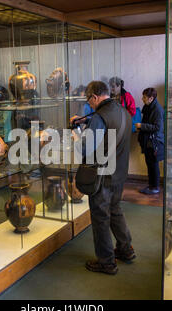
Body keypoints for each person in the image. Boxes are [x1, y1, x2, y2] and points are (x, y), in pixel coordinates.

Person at [71, 80, 134, 275]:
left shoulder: (99, 117)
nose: (89, 104)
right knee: (115, 210)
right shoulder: (123, 112)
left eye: (89, 101)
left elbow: (85, 148)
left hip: (101, 176)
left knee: (100, 217)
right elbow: (110, 133)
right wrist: (87, 121)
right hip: (119, 174)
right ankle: (126, 250)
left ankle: (107, 262)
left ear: (95, 97)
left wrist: (75, 134)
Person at [136, 88, 164, 195]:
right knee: (150, 164)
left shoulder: (157, 109)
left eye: (144, 97)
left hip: (154, 142)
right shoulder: (148, 107)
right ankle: (151, 186)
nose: (142, 99)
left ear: (151, 98)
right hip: (148, 141)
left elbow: (157, 127)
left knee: (153, 165)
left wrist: (142, 126)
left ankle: (155, 187)